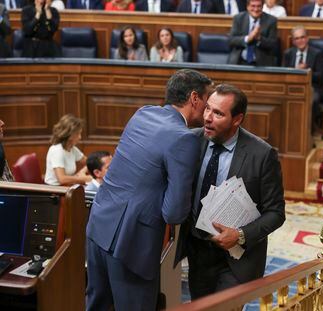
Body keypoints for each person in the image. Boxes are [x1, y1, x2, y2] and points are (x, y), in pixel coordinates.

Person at [86, 69, 213, 311]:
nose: (208, 110)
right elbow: (173, 213)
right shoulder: (183, 139)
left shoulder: (143, 113)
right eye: (207, 101)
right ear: (195, 98)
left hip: (99, 226)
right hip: (131, 244)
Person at [175, 84, 285, 299]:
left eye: (218, 113)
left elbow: (276, 213)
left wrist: (240, 235)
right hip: (198, 251)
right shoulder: (191, 140)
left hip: (237, 259)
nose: (208, 117)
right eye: (207, 109)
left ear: (237, 119)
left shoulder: (262, 154)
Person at [282, 25, 323, 133]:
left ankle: (307, 130)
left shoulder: (317, 54)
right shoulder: (288, 53)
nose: (300, 40)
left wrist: (306, 71)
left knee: (312, 100)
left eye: (302, 37)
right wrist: (295, 70)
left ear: (307, 38)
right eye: (297, 38)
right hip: (291, 86)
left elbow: (320, 76)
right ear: (293, 41)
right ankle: (289, 128)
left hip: (312, 87)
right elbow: (282, 74)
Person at [44, 114, 91, 186]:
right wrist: (83, 179)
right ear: (69, 135)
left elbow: (90, 163)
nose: (80, 137)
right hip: (54, 191)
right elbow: (62, 179)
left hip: (67, 188)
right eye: (78, 134)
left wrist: (82, 172)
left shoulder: (72, 148)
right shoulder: (57, 150)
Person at [228, 0, 278, 66]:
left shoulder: (271, 20)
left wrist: (259, 38)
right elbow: (231, 40)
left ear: (262, 7)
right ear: (247, 7)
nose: (256, 9)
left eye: (258, 6)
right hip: (240, 61)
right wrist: (247, 38)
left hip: (262, 63)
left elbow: (273, 44)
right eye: (253, 6)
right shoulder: (239, 18)